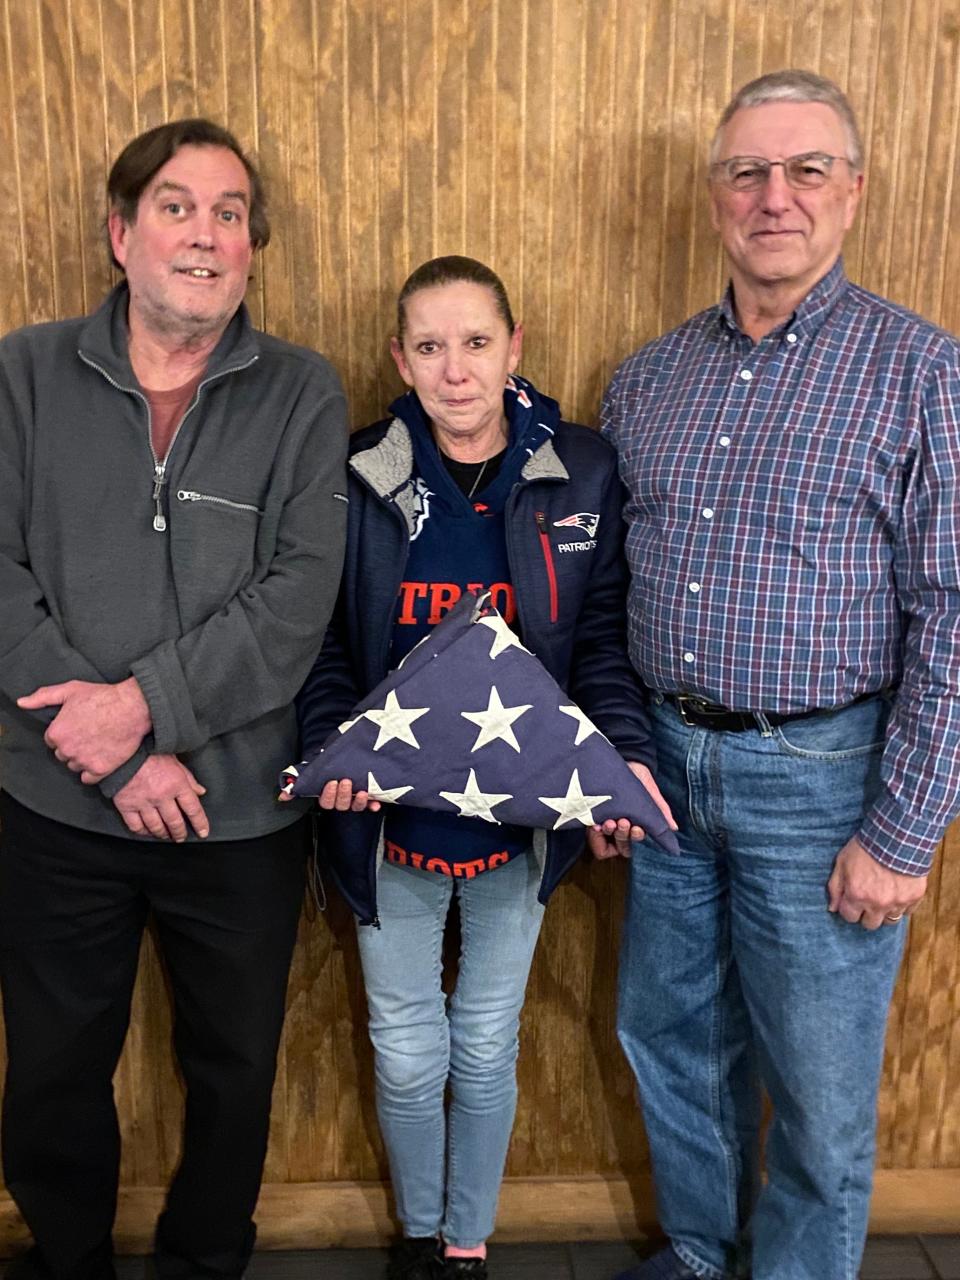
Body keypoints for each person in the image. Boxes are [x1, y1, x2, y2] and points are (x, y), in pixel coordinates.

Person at [599, 69, 960, 1280]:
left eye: (807, 169)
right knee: (672, 1037)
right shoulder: (646, 380)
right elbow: (610, 590)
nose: (775, 196)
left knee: (816, 1087)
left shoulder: (922, 371)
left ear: (852, 192)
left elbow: (955, 613)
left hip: (823, 780)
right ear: (714, 197)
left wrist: (905, 830)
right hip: (664, 768)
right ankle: (702, 1254)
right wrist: (617, 760)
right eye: (748, 171)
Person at [0, 119, 348, 1279]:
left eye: (231, 211)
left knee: (237, 1064)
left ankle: (207, 1259)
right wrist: (106, 748)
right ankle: (66, 1256)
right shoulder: (21, 372)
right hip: (53, 801)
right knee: (54, 1059)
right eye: (177, 205)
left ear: (253, 244)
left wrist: (142, 708)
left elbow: (299, 596)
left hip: (236, 805)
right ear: (120, 231)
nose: (206, 232)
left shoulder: (302, 391)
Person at [294, 255, 674, 1280]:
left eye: (475, 342)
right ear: (399, 358)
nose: (454, 369)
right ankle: (421, 1233)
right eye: (429, 345)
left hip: (520, 822)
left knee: (486, 1040)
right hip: (386, 820)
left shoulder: (580, 468)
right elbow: (324, 646)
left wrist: (622, 757)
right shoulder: (354, 472)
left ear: (515, 345)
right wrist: (336, 751)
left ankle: (468, 1238)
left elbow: (598, 639)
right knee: (408, 1047)